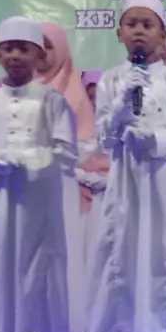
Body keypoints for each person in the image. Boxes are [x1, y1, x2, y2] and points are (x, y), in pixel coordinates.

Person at [86, 0, 166, 332]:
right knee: (123, 252)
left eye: (147, 24)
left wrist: (156, 140)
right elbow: (104, 139)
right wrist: (120, 109)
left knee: (165, 253)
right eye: (131, 24)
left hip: (163, 183)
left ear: (162, 34)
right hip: (125, 183)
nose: (139, 31)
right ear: (119, 32)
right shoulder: (110, 80)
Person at [0, 17, 77, 332]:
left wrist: (30, 159)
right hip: (0, 201)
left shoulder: (51, 100)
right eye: (9, 49)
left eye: (24, 49)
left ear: (39, 55)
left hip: (37, 202)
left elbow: (67, 153)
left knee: (35, 267)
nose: (15, 56)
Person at [38, 21, 97, 332]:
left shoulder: (74, 94)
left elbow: (86, 144)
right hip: (21, 190)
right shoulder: (9, 90)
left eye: (48, 46)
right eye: (36, 46)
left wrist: (51, 155)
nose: (41, 53)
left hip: (61, 188)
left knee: (62, 257)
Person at [75, 70, 111, 274]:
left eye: (99, 96)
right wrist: (85, 177)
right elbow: (66, 162)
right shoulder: (74, 126)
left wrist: (104, 179)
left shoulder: (115, 127)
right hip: (81, 198)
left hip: (109, 199)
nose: (95, 102)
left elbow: (122, 163)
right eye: (90, 96)